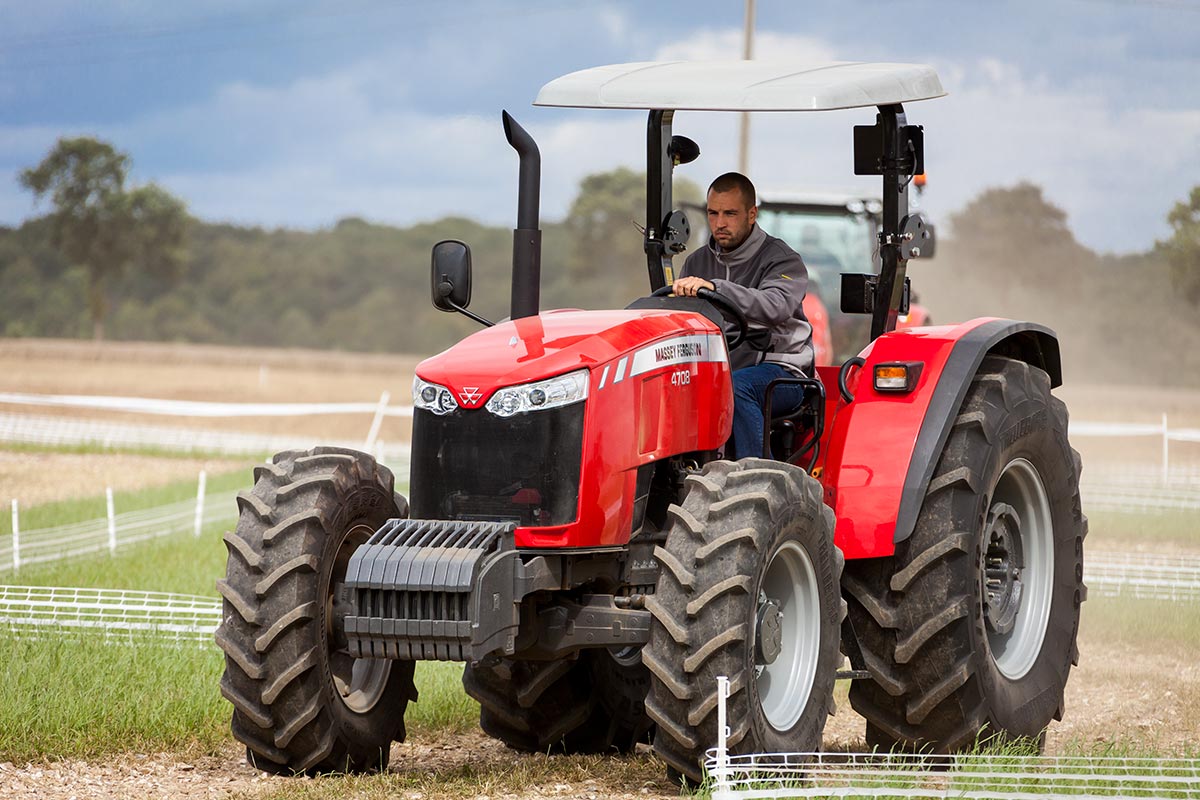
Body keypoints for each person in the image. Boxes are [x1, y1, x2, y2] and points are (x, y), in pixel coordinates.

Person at [672, 172, 813, 460]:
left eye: (730, 213)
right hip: (717, 371)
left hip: (781, 373)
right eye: (713, 213)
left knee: (735, 387)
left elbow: (776, 306)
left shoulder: (782, 260)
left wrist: (715, 289)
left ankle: (757, 477)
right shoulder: (696, 262)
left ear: (751, 214)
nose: (720, 223)